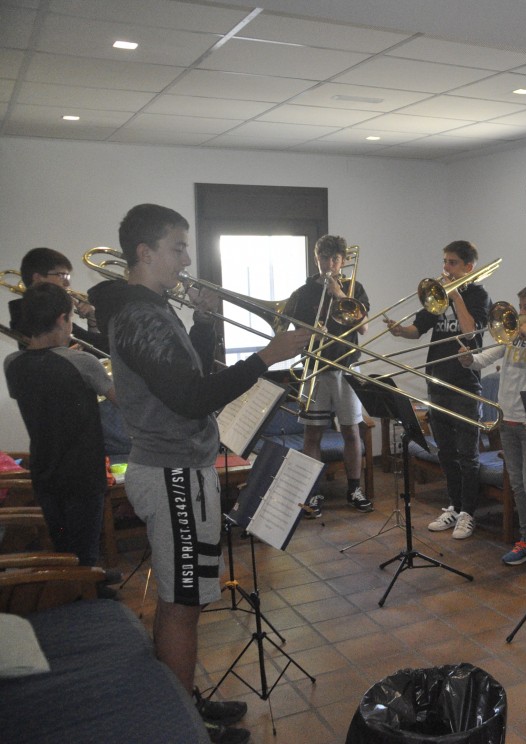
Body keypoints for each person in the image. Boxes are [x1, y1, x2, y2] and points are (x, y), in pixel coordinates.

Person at [94, 203, 311, 744]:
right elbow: (192, 397)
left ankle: (184, 703)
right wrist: (268, 355)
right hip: (172, 474)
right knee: (182, 601)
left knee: (184, 597)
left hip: (179, 468)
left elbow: (181, 372)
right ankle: (178, 726)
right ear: (145, 253)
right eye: (178, 247)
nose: (187, 259)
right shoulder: (140, 313)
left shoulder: (149, 307)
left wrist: (205, 319)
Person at [4, 282, 117, 596]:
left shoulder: (11, 365)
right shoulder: (82, 362)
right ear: (60, 320)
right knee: (85, 549)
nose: (71, 327)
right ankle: (86, 600)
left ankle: (82, 585)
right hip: (83, 473)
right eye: (69, 320)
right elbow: (121, 401)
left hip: (44, 470)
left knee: (63, 543)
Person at [385, 240, 491, 540]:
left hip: (465, 385)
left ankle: (469, 512)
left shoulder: (479, 295)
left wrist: (455, 295)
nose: (446, 268)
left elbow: (472, 332)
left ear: (468, 267)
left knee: (467, 455)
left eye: (453, 262)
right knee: (446, 453)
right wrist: (399, 330)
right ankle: (456, 506)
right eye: (445, 261)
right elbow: (417, 329)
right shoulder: (438, 295)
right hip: (437, 382)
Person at [460, 282, 526, 573]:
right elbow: (484, 358)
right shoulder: (510, 338)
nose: (520, 313)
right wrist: (469, 359)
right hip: (507, 420)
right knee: (517, 485)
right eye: (520, 307)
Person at [282, 235, 371, 518]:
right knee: (313, 434)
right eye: (324, 258)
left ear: (343, 261)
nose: (330, 264)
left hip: (346, 368)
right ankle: (314, 492)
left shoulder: (355, 288)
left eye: (335, 259)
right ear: (315, 258)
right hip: (315, 368)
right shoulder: (303, 293)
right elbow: (284, 327)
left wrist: (340, 295)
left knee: (351, 430)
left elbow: (364, 328)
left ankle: (354, 490)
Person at [8, 246, 107, 352]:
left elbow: (93, 348)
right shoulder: (33, 312)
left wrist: (92, 320)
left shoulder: (34, 310)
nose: (67, 283)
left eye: (68, 277)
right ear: (38, 278)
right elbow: (99, 347)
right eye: (62, 276)